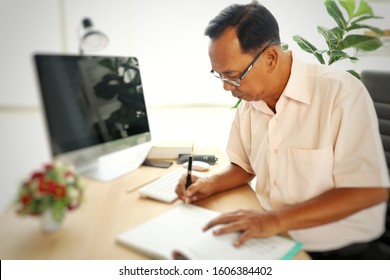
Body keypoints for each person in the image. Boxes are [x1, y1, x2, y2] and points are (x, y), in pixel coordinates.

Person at [175, 1, 390, 260]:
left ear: (270, 58)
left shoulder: (340, 94)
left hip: (334, 248)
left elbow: (370, 190)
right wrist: (209, 184)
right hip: (273, 233)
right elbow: (244, 167)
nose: (226, 87)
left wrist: (275, 220)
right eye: (219, 76)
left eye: (233, 75)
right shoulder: (250, 101)